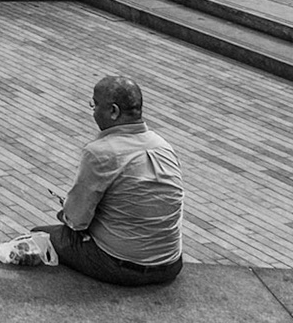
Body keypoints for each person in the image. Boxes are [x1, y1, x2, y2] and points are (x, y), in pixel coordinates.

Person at [30, 75, 183, 286]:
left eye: (95, 105)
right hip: (171, 263)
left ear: (113, 111)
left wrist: (67, 210)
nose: (93, 112)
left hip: (122, 265)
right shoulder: (164, 146)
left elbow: (76, 221)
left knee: (40, 235)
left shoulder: (100, 152)